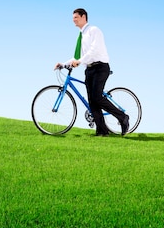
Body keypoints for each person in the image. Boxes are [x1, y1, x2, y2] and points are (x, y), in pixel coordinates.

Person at [54, 8, 130, 136]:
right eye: (73, 18)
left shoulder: (94, 31)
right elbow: (77, 57)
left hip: (100, 67)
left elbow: (94, 51)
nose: (73, 20)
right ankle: (102, 130)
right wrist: (63, 64)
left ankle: (123, 117)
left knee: (96, 97)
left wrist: (80, 61)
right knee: (92, 101)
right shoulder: (81, 35)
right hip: (89, 69)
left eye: (76, 17)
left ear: (84, 17)